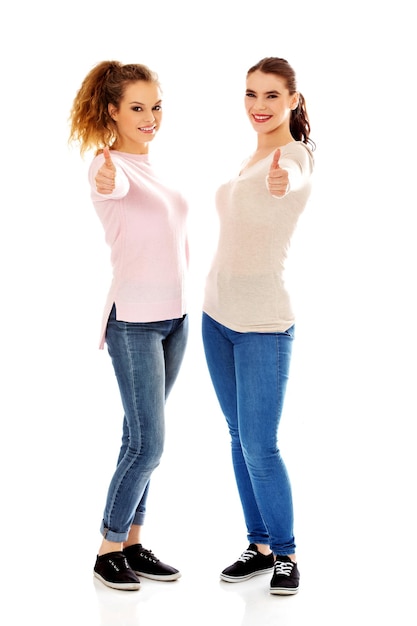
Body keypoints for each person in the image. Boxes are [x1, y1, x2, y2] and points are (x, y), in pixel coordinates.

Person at [69, 61, 189, 591]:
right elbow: (111, 187)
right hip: (135, 323)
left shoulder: (153, 167)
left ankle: (133, 544)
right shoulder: (108, 167)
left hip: (175, 320)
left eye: (155, 106)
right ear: (113, 112)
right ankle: (107, 549)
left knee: (135, 436)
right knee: (150, 445)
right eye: (137, 108)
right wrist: (108, 170)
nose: (150, 117)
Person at [201, 57, 315, 595]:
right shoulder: (250, 157)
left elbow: (292, 177)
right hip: (216, 317)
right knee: (237, 437)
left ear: (293, 99)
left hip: (264, 325)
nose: (258, 106)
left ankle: (287, 554)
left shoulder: (294, 157)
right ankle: (260, 544)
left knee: (261, 445)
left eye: (271, 96)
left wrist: (281, 178)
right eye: (250, 94)